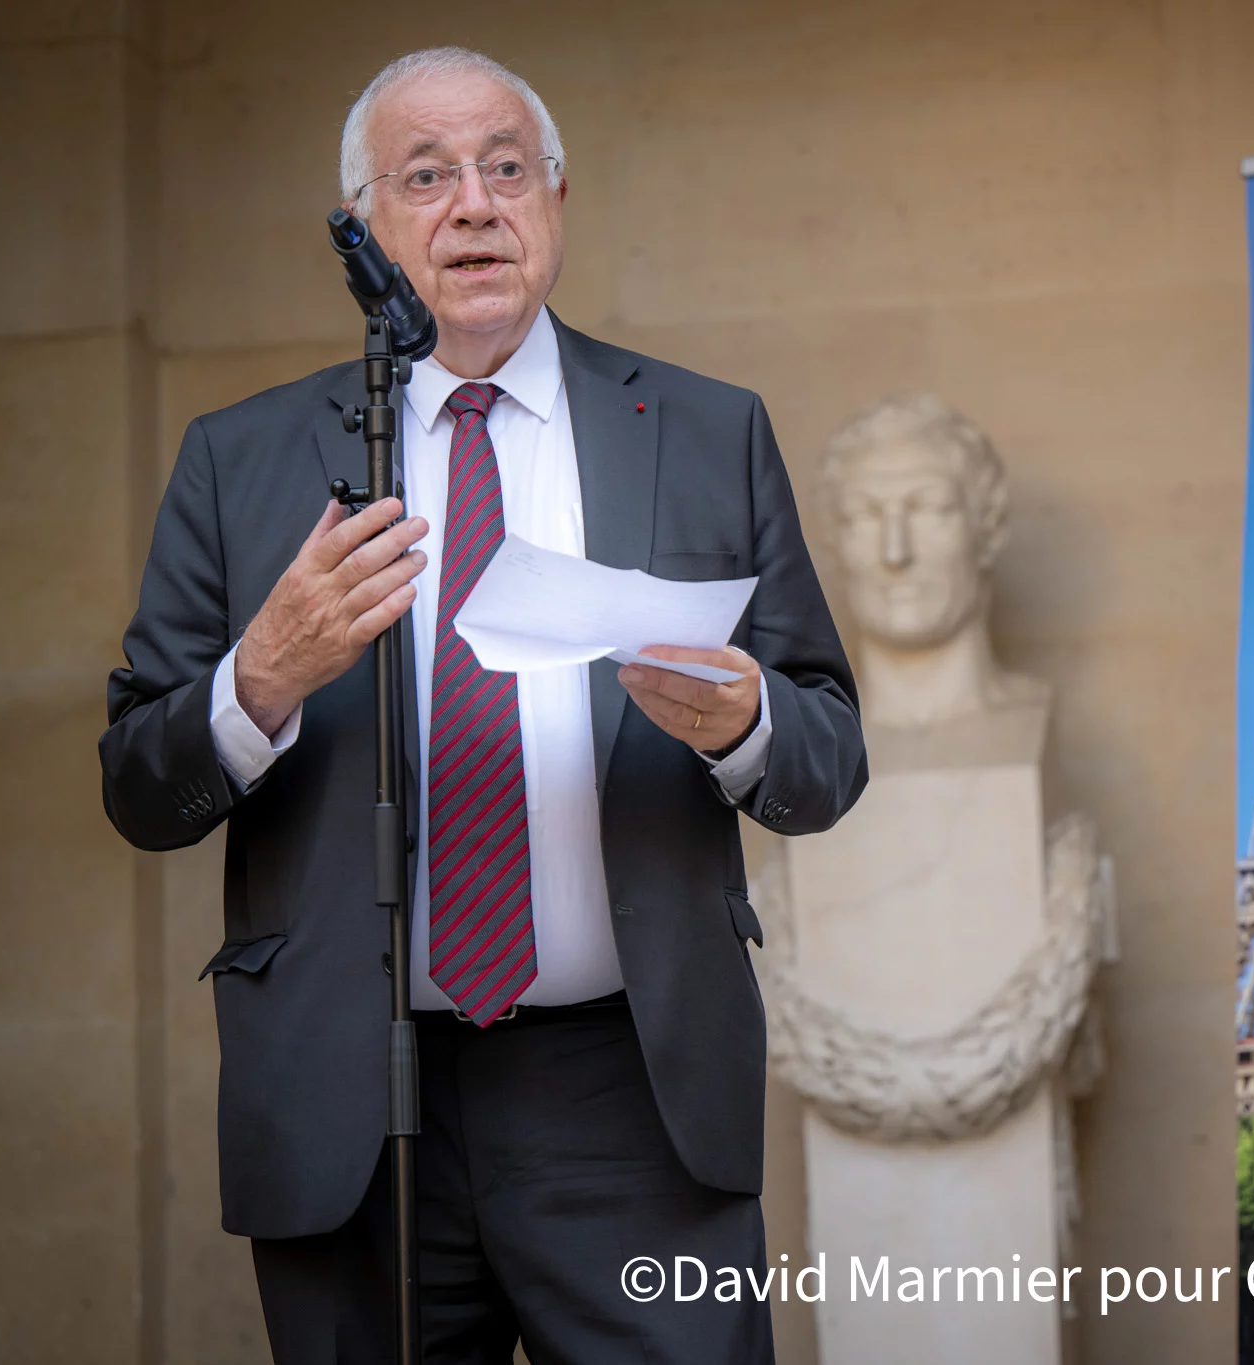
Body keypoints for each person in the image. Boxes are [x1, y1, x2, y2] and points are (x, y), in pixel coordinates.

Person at [99, 45, 865, 1363]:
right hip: (348, 1090)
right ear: (365, 225)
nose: (474, 205)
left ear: (556, 199)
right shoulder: (242, 460)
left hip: (630, 1092)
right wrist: (261, 677)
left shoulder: (704, 429)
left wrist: (746, 727)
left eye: (507, 168)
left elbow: (829, 755)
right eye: (427, 176)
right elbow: (137, 788)